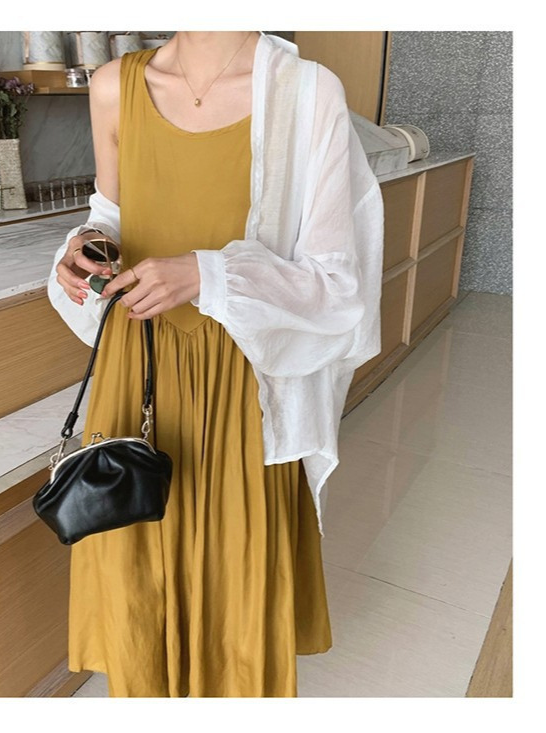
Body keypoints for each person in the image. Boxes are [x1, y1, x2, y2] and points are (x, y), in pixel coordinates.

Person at [47, 31, 384, 697]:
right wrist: (86, 245)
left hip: (243, 376)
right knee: (138, 563)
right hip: (138, 361)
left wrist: (208, 274)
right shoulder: (113, 85)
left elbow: (337, 279)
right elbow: (111, 212)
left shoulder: (307, 91)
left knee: (234, 569)